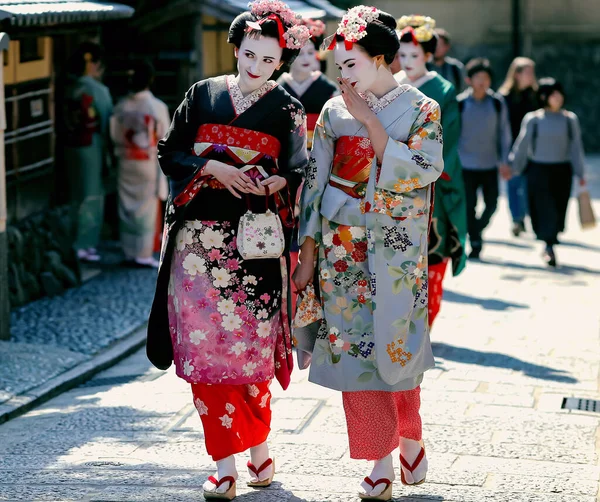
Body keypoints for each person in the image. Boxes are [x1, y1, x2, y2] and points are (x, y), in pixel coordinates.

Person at [146, 1, 310, 499]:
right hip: (197, 248)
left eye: (268, 59)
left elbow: (302, 169)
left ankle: (258, 452)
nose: (256, 66)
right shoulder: (202, 95)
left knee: (250, 357)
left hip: (254, 248)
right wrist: (213, 167)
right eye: (249, 54)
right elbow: (170, 151)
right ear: (236, 48)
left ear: (280, 61)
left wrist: (280, 179)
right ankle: (224, 466)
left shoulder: (287, 108)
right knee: (204, 356)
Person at [294, 6, 444, 500]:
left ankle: (410, 434)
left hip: (394, 253)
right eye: (339, 66)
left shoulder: (422, 109)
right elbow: (316, 182)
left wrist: (369, 121)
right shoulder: (333, 112)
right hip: (340, 252)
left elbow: (422, 169)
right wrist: (309, 253)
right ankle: (380, 460)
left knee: (393, 347)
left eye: (351, 64)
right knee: (356, 357)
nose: (343, 76)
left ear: (381, 59)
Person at [395, 15, 467, 327]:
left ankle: (424, 324)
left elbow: (448, 139)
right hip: (391, 181)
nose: (407, 62)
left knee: (431, 251)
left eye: (415, 55)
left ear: (428, 55)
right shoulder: (390, 85)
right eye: (403, 55)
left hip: (430, 183)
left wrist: (423, 169)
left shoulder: (443, 89)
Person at [509, 78, 586, 268]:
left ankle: (551, 239)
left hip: (562, 170)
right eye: (552, 94)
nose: (557, 98)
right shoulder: (533, 119)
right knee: (544, 208)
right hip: (538, 170)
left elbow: (576, 147)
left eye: (559, 93)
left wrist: (581, 173)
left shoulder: (570, 119)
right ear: (544, 97)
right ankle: (549, 244)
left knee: (559, 207)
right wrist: (514, 166)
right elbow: (522, 144)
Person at [110, 60, 171, 268]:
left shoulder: (121, 105)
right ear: (150, 81)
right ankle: (143, 253)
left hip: (125, 159)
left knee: (126, 205)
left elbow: (113, 132)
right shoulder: (156, 107)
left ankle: (129, 251)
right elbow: (165, 137)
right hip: (147, 160)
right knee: (146, 207)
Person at [61, 42, 113, 262]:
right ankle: (84, 243)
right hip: (91, 144)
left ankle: (74, 240)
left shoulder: (70, 88)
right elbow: (106, 119)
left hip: (71, 145)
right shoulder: (98, 90)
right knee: (91, 194)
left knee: (76, 193)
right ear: (95, 65)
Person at [458, 57, 512, 259]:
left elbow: (504, 134)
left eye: (486, 78)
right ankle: (476, 241)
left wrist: (505, 161)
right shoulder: (461, 103)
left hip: (489, 164)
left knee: (492, 205)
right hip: (466, 165)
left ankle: (475, 231)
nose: (482, 81)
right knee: (469, 206)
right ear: (469, 79)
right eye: (478, 77)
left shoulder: (497, 103)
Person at [499, 57, 539, 237]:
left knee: (530, 185)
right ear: (517, 74)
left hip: (534, 148)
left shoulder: (537, 96)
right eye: (527, 72)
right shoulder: (504, 98)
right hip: (512, 146)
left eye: (532, 72)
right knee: (514, 184)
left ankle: (531, 218)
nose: (531, 76)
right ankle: (517, 219)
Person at [427, 28, 465, 93]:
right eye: (434, 45)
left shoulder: (455, 68)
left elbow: (463, 90)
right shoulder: (424, 67)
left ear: (447, 47)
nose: (436, 48)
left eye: (440, 45)